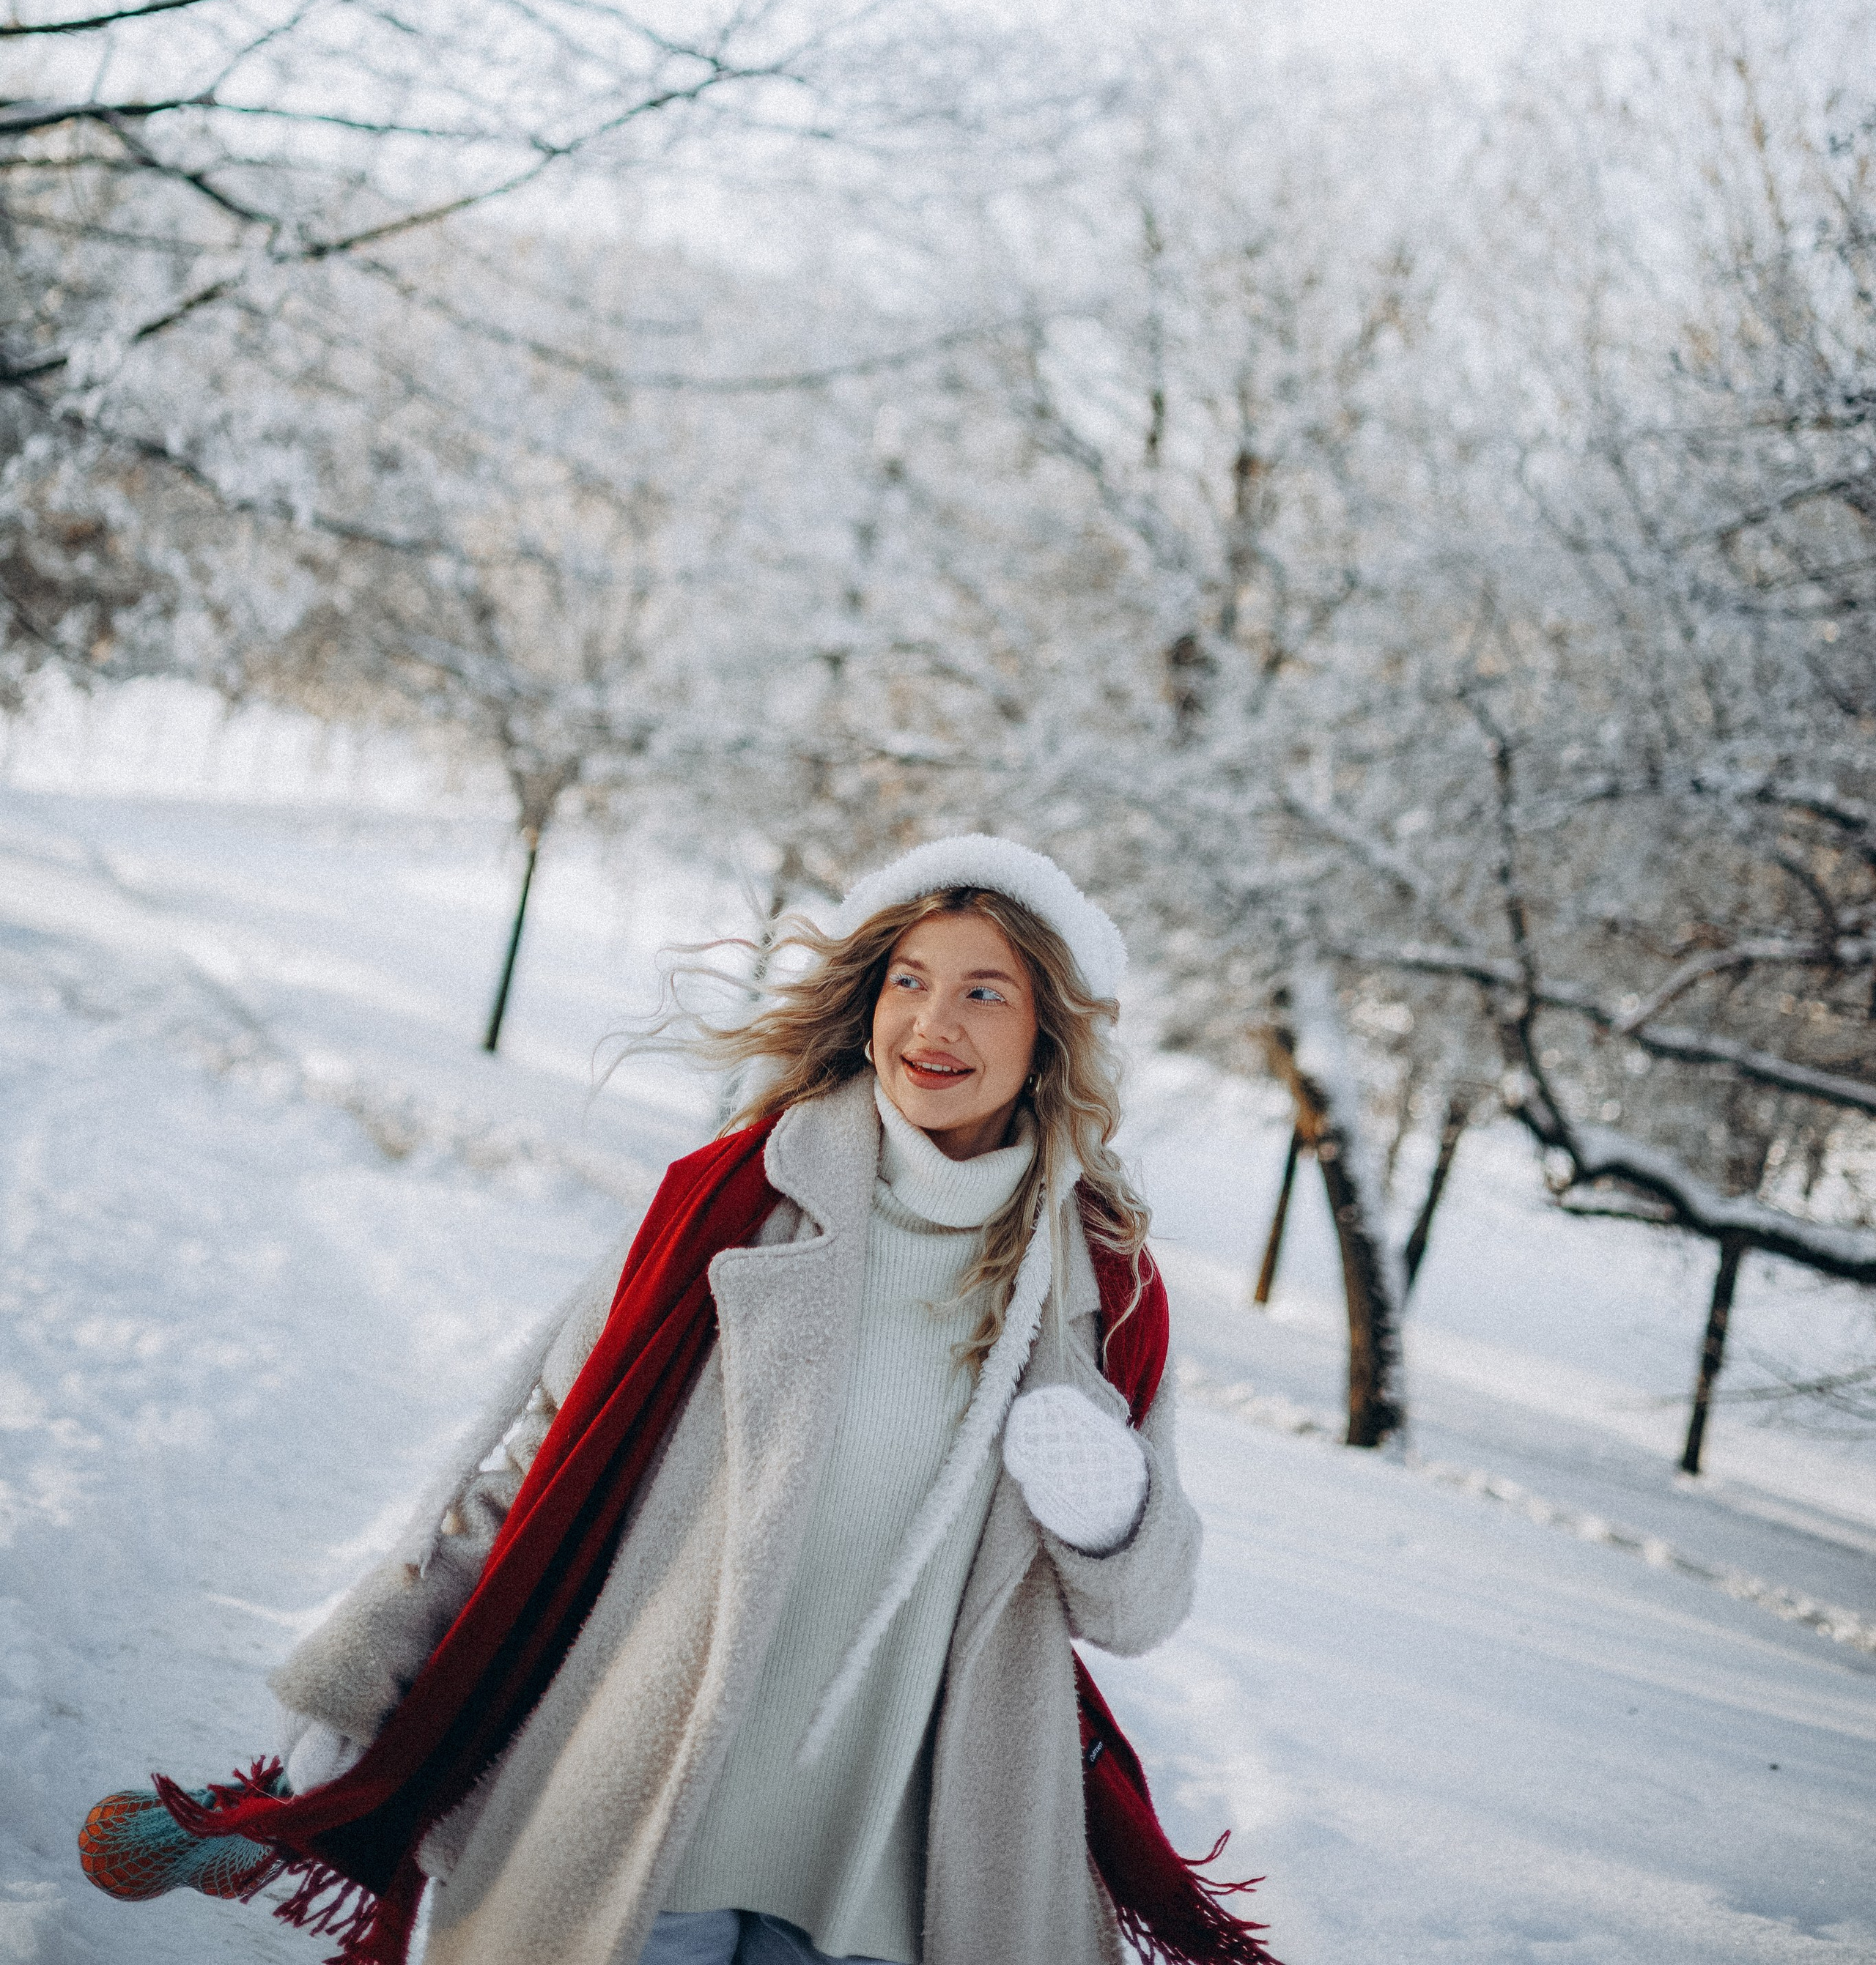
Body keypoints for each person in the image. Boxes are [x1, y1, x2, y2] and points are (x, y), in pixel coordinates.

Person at [78, 837, 1276, 1965]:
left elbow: (1135, 1613)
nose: (931, 1021)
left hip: (900, 1879)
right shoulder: (730, 1206)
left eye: (984, 992)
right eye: (908, 978)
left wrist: (1114, 1513)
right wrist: (367, 1693)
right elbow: (543, 1470)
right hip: (647, 1829)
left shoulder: (1099, 1287)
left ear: (1051, 1034)